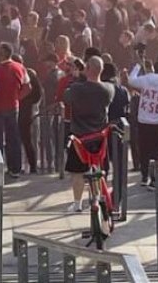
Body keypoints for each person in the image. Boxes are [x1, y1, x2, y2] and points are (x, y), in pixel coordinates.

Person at [62, 56, 114, 212]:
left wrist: (77, 78)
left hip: (79, 136)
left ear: (88, 68)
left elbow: (66, 97)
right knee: (97, 168)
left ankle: (77, 203)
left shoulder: (77, 88)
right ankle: (96, 198)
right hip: (99, 136)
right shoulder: (109, 89)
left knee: (77, 172)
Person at [128, 57, 158, 188]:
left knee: (144, 149)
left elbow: (131, 80)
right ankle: (155, 178)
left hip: (143, 120)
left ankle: (144, 176)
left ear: (154, 69)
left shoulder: (146, 80)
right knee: (157, 151)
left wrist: (137, 67)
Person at [0, 43, 30, 178]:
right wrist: (17, 97)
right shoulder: (21, 68)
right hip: (13, 107)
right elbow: (28, 87)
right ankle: (15, 168)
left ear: (4, 54)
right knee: (14, 138)